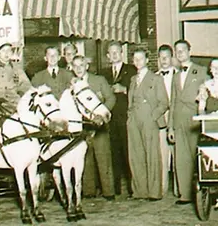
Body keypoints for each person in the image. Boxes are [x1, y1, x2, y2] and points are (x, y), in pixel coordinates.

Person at [69, 55, 116, 200]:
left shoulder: (99, 80)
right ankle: (88, 191)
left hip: (99, 126)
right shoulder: (71, 84)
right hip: (83, 127)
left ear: (87, 66)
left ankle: (108, 191)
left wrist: (101, 115)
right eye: (75, 66)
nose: (78, 69)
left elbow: (111, 98)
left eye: (81, 65)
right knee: (85, 159)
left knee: (103, 158)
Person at [168, 39, 207, 205]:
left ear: (189, 51)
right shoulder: (175, 75)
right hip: (178, 120)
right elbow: (173, 101)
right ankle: (185, 194)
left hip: (194, 119)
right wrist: (170, 126)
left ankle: (201, 193)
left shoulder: (201, 71)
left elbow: (206, 95)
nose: (179, 53)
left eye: (182, 50)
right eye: (177, 51)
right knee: (181, 158)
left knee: (197, 156)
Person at [127, 48, 169, 201]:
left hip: (149, 118)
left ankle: (153, 192)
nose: (137, 61)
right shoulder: (132, 80)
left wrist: (153, 117)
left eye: (140, 58)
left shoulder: (155, 79)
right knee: (136, 154)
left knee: (152, 155)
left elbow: (164, 102)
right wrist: (130, 116)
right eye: (135, 59)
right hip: (134, 119)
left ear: (147, 60)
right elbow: (130, 102)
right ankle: (139, 191)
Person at [103, 41, 135, 197]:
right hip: (110, 118)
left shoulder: (131, 70)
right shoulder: (103, 73)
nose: (114, 55)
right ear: (108, 56)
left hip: (126, 117)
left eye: (117, 52)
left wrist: (125, 89)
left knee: (128, 152)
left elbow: (139, 90)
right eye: (111, 53)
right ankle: (115, 188)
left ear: (122, 53)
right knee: (113, 153)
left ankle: (132, 187)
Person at [0, 42, 32, 114]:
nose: (6, 53)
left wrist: (22, 94)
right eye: (3, 51)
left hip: (16, 105)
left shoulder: (17, 68)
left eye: (9, 51)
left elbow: (26, 85)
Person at [156, 45, 177, 198]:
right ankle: (162, 189)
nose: (164, 60)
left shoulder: (180, 74)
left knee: (178, 155)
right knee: (162, 155)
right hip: (160, 118)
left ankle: (179, 189)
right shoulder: (154, 77)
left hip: (176, 118)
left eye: (167, 57)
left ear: (172, 58)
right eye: (161, 57)